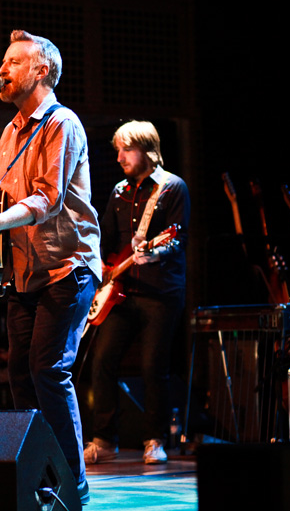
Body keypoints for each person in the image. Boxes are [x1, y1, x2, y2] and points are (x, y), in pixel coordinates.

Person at [0, 30, 102, 505]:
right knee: (19, 371)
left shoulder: (63, 124)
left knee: (47, 370)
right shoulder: (12, 128)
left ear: (41, 70)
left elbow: (49, 198)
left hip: (68, 268)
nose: (2, 70)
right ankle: (41, 477)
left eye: (12, 62)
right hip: (25, 273)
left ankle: (72, 485)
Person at [83, 120, 190, 466]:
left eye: (125, 150)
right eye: (118, 150)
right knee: (102, 360)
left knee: (153, 365)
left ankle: (154, 439)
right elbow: (109, 239)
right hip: (123, 290)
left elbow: (177, 239)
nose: (119, 157)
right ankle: (104, 439)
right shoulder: (119, 191)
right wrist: (100, 264)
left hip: (161, 291)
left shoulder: (173, 188)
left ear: (146, 149)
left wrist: (153, 253)